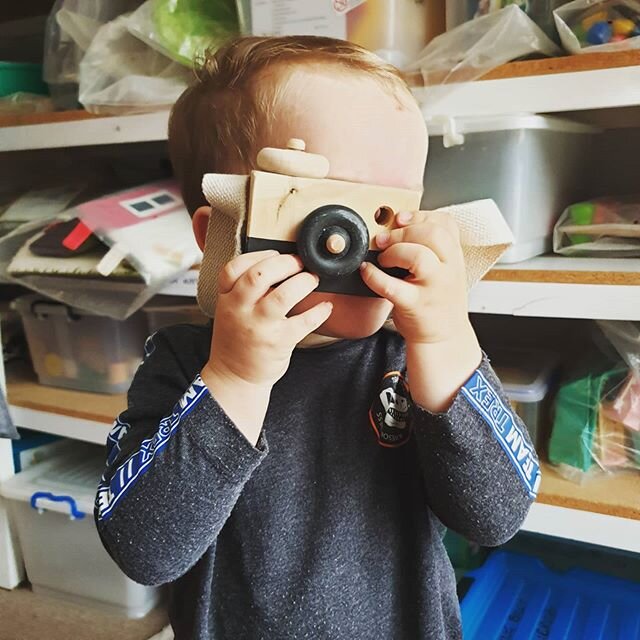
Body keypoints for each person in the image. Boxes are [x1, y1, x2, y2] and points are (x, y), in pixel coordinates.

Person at [95, 36, 540, 640]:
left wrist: (445, 342)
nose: (361, 245)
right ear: (222, 232)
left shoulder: (414, 352)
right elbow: (143, 549)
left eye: (392, 212)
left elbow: (497, 517)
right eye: (329, 214)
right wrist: (234, 379)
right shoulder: (185, 364)